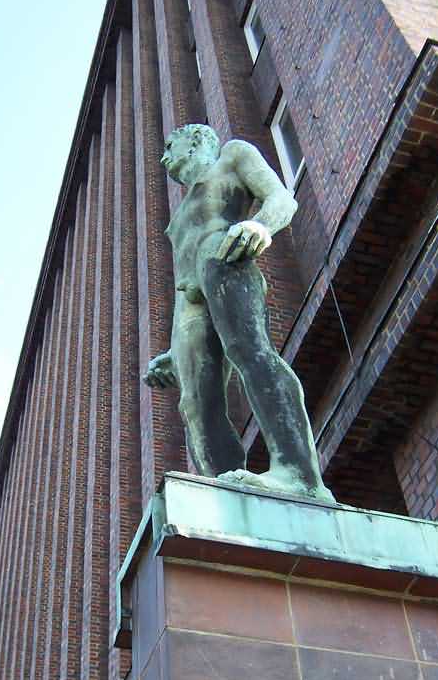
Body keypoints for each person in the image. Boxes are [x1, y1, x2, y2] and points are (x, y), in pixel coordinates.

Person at [143, 123, 334, 502]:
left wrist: (260, 226)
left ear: (196, 141)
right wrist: (172, 350)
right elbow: (182, 271)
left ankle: (298, 473)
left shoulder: (232, 155)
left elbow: (282, 199)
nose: (164, 157)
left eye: (170, 145)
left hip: (225, 257)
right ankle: (225, 491)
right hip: (189, 300)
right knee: (195, 401)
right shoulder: (179, 214)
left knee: (251, 352)